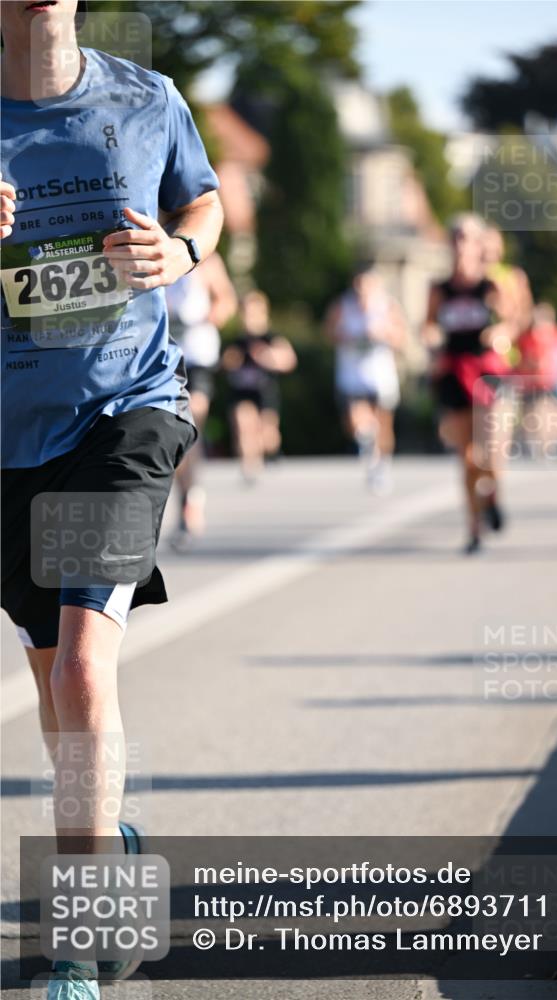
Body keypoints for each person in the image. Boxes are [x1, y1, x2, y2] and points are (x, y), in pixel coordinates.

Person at [0, 2, 223, 996]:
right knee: (57, 686)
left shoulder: (145, 97)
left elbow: (204, 203)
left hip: (121, 415)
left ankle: (77, 947)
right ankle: (114, 846)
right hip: (7, 441)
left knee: (85, 672)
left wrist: (179, 255)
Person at [422, 215, 520, 554]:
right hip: (454, 372)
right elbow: (428, 326)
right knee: (466, 459)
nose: (462, 245)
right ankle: (474, 527)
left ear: (480, 246)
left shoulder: (491, 285)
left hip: (488, 372)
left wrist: (500, 332)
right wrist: (432, 341)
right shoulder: (440, 289)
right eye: (457, 238)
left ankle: (492, 493)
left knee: (491, 453)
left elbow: (513, 321)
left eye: (468, 238)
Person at [166, 253, 237, 547]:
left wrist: (201, 320)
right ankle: (187, 496)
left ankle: (190, 501)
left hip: (198, 357)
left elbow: (226, 302)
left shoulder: (206, 258)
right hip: (165, 356)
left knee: (189, 425)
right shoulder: (154, 247)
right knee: (171, 434)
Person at [326, 265, 407, 495]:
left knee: (383, 423)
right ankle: (367, 443)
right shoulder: (343, 305)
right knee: (356, 421)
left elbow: (401, 337)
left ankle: (381, 465)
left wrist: (383, 333)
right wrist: (345, 335)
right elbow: (329, 332)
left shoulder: (387, 306)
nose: (363, 291)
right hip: (352, 375)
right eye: (359, 286)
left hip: (380, 376)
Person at [221, 290, 297, 483]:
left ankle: (272, 452)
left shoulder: (271, 338)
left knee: (268, 435)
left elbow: (289, 360)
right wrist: (231, 362)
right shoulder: (238, 342)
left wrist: (269, 358)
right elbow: (226, 363)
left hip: (265, 391)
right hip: (242, 391)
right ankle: (249, 466)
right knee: (243, 424)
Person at [515, 302, 557, 457]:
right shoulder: (526, 337)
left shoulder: (555, 334)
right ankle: (534, 443)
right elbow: (522, 358)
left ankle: (550, 442)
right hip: (530, 381)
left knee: (548, 410)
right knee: (531, 411)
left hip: (549, 379)